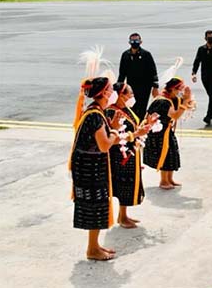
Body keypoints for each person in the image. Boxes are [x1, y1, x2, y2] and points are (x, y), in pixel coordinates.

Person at [70, 75, 123, 261]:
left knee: (97, 206)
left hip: (90, 166)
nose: (113, 92)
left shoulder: (95, 112)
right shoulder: (95, 115)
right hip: (89, 169)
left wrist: (113, 128)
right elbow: (105, 145)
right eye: (110, 89)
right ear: (104, 93)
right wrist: (115, 131)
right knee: (95, 206)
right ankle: (92, 249)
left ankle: (95, 245)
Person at [106, 82, 156, 229]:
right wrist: (135, 134)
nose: (132, 96)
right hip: (119, 155)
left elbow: (135, 128)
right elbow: (114, 135)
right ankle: (121, 217)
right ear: (120, 95)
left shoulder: (126, 109)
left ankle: (124, 215)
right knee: (124, 185)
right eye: (129, 93)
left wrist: (147, 125)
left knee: (129, 184)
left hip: (131, 151)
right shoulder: (112, 112)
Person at [144, 76, 193, 189]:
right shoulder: (163, 101)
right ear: (173, 89)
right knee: (165, 155)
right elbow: (175, 115)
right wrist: (185, 101)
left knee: (172, 153)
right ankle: (163, 181)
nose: (181, 91)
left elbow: (184, 107)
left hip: (167, 130)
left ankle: (170, 179)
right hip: (158, 133)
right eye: (179, 89)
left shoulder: (173, 98)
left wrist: (187, 100)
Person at [117, 33, 159, 120]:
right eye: (132, 41)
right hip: (131, 87)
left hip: (145, 87)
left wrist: (155, 87)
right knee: (131, 107)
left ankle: (140, 125)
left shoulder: (146, 54)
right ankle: (133, 125)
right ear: (129, 42)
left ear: (140, 42)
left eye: (136, 40)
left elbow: (153, 70)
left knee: (142, 107)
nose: (134, 42)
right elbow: (122, 73)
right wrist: (119, 87)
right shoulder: (125, 55)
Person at [192, 30, 212, 125]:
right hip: (205, 77)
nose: (211, 38)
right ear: (205, 38)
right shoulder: (201, 49)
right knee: (211, 95)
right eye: (209, 37)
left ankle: (208, 116)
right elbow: (197, 61)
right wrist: (194, 73)